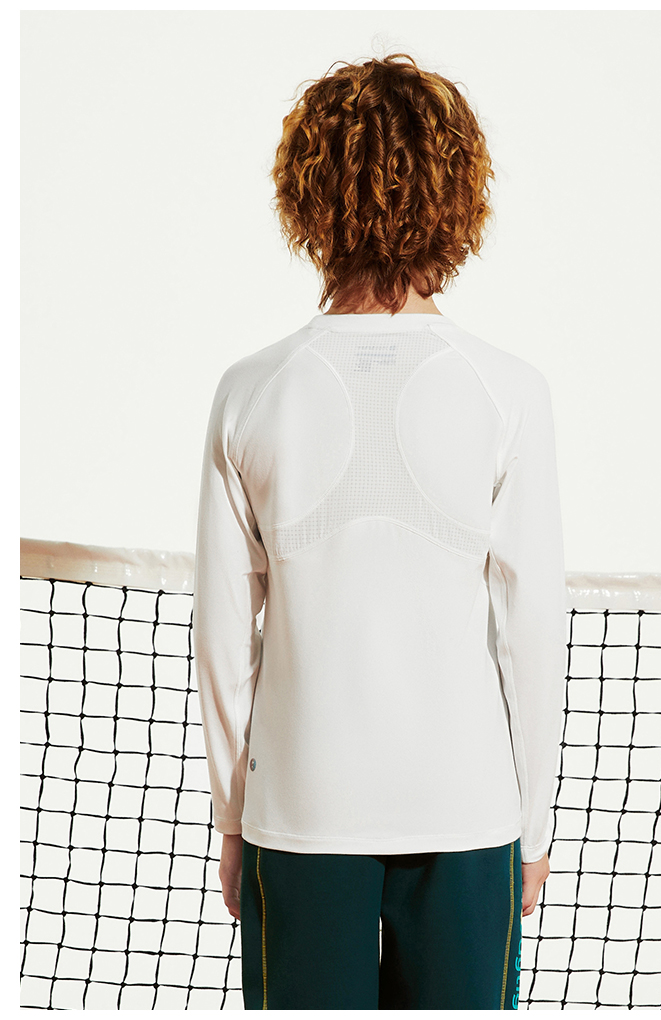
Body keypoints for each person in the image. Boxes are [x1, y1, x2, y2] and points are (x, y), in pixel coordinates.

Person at [192, 52, 568, 1010]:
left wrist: (236, 819)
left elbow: (222, 640)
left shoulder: (250, 392)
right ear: (458, 194)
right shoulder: (508, 392)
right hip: (467, 817)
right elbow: (535, 634)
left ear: (307, 196)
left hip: (298, 813)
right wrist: (531, 828)